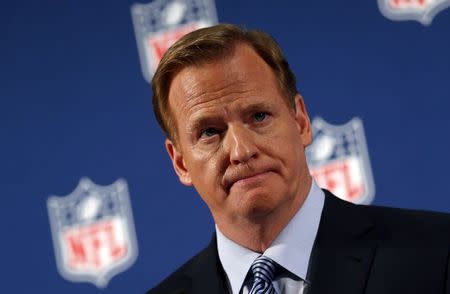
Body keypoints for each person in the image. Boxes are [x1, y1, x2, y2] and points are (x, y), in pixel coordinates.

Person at [147, 24, 450, 294]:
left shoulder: (436, 253)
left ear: (301, 121)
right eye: (210, 132)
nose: (241, 151)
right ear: (181, 163)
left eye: (259, 116)